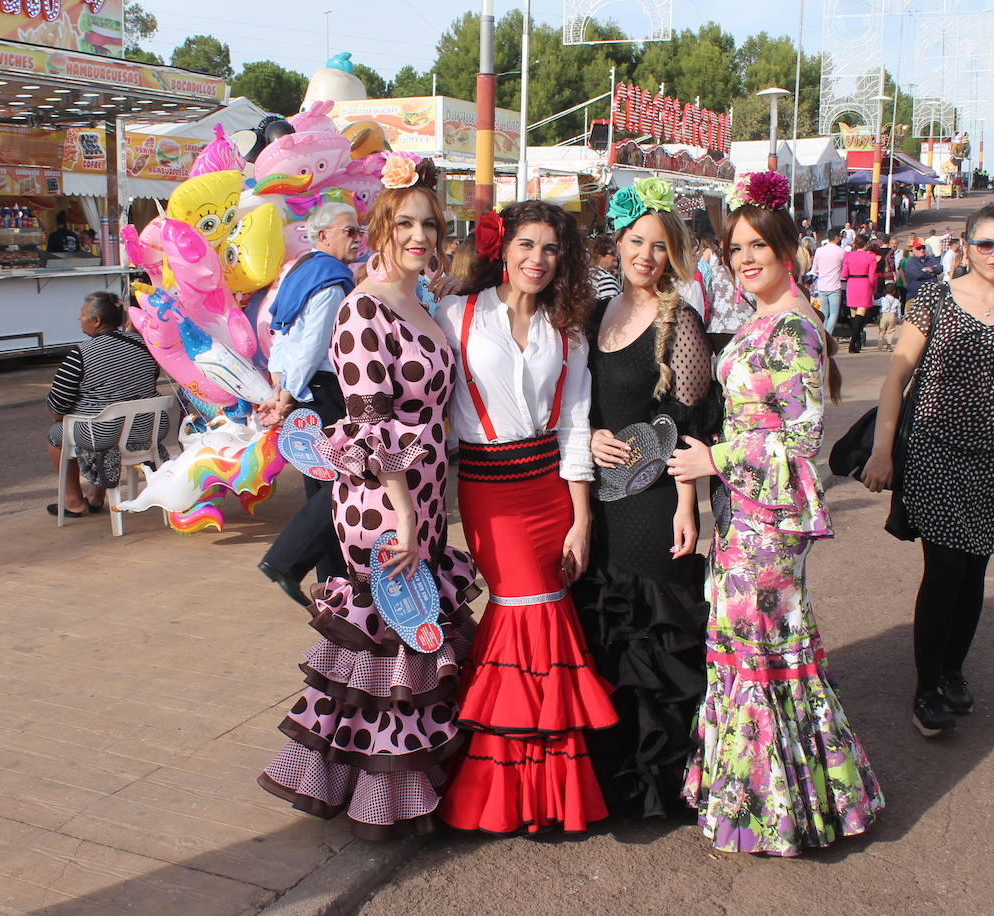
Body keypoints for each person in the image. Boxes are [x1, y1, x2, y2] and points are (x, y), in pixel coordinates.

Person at [258, 155, 479, 840]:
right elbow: (369, 422)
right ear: (380, 228)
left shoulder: (424, 301)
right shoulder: (362, 308)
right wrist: (406, 513)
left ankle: (404, 784)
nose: (419, 236)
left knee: (411, 640)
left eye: (429, 225)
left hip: (424, 497)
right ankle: (380, 799)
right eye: (404, 223)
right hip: (383, 503)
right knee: (388, 648)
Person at [670, 171, 882, 855]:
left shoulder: (792, 326)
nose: (745, 258)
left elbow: (800, 438)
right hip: (747, 512)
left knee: (761, 650)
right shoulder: (765, 318)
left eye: (758, 245)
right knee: (754, 648)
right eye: (736, 248)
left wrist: (715, 459)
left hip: (769, 517)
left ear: (788, 249)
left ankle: (773, 809)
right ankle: (775, 798)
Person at [434, 201, 616, 834]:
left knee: (545, 617)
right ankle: (508, 790)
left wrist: (581, 520)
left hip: (550, 492)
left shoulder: (569, 333)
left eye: (551, 248)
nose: (538, 259)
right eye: (527, 245)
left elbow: (574, 426)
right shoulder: (453, 315)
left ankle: (539, 793)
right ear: (502, 248)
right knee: (523, 615)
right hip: (489, 492)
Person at [862, 204, 994, 737]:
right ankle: (926, 690)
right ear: (966, 246)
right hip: (937, 451)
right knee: (944, 570)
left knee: (974, 571)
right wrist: (882, 451)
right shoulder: (935, 300)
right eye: (986, 243)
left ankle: (952, 670)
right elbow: (896, 379)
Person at [570, 178, 720, 819]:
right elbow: (578, 404)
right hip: (600, 502)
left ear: (673, 255)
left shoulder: (680, 320)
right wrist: (590, 435)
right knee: (607, 636)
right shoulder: (595, 313)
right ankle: (613, 779)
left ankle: (658, 786)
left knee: (654, 637)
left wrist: (688, 505)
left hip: (655, 503)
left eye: (659, 247)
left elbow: (689, 426)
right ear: (620, 241)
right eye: (637, 242)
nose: (646, 256)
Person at [255, 203, 362, 604]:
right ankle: (287, 562)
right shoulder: (332, 281)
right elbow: (313, 344)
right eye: (349, 231)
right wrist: (285, 395)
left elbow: (281, 334)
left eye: (358, 231)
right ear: (323, 236)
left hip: (302, 391)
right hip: (322, 392)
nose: (357, 238)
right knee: (342, 486)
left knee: (321, 484)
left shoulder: (300, 270)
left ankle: (331, 588)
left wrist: (281, 387)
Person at [45, 291, 166, 517]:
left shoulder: (81, 354)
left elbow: (57, 407)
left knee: (56, 435)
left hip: (102, 434)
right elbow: (149, 380)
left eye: (82, 314)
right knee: (107, 421)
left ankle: (73, 501)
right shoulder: (145, 346)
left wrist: (66, 414)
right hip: (147, 430)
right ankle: (96, 495)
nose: (78, 318)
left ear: (97, 320)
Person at [842, 234, 878, 353]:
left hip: (852, 283)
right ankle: (853, 342)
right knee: (860, 315)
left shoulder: (848, 256)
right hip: (864, 284)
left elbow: (844, 274)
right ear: (866, 245)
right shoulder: (870, 257)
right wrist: (873, 287)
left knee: (854, 315)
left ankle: (856, 342)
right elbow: (872, 276)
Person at [810, 229, 846, 334]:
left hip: (822, 285)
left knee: (824, 313)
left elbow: (814, 269)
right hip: (835, 285)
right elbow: (844, 270)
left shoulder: (819, 250)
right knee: (834, 313)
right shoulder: (841, 252)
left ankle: (824, 334)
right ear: (836, 237)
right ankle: (828, 334)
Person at [903, 238, 943, 307]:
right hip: (917, 298)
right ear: (913, 249)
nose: (922, 250)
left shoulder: (930, 259)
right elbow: (918, 275)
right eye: (918, 248)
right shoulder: (911, 263)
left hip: (933, 297)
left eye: (923, 247)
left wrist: (928, 270)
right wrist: (932, 272)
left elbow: (940, 268)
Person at [589, 234, 622, 300]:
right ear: (600, 257)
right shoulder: (605, 279)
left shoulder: (588, 276)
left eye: (616, 252)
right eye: (612, 253)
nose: (616, 256)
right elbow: (611, 305)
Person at [876, 282, 903, 351]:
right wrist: (899, 319)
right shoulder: (896, 301)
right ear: (894, 292)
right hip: (892, 316)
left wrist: (872, 296)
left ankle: (880, 346)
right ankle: (889, 346)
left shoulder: (882, 299)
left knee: (882, 331)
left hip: (884, 315)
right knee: (891, 331)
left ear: (884, 290)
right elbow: (899, 311)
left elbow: (874, 303)